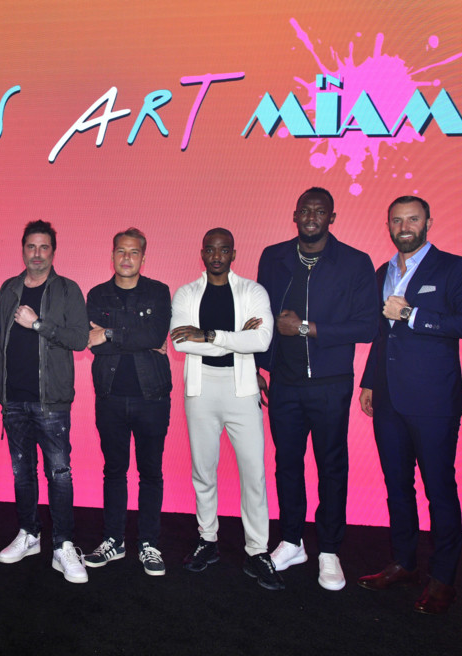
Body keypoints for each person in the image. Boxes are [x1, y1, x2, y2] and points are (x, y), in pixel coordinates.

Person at [357, 196, 462, 614]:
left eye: (413, 219)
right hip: (388, 398)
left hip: (433, 401)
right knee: (397, 487)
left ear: (428, 222)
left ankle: (443, 580)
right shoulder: (383, 272)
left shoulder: (456, 268)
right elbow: (382, 334)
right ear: (389, 226)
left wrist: (413, 314)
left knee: (439, 490)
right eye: (397, 220)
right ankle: (404, 563)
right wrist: (369, 381)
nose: (405, 226)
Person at [255, 187, 376, 591]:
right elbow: (261, 316)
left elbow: (367, 326)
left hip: (330, 384)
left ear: (331, 218)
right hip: (285, 383)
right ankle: (292, 541)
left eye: (319, 211)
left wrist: (307, 328)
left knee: (331, 467)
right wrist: (257, 367)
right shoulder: (274, 257)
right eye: (304, 210)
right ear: (295, 215)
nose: (311, 217)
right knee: (287, 464)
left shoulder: (355, 262)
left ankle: (329, 550)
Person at [171, 228, 282, 590]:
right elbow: (181, 342)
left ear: (234, 254)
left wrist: (210, 335)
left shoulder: (253, 291)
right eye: (210, 249)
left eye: (224, 250)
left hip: (243, 389)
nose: (216, 255)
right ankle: (208, 540)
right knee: (203, 470)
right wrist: (236, 338)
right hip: (201, 389)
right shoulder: (186, 293)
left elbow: (261, 339)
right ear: (202, 253)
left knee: (254, 473)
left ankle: (257, 550)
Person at [0, 220, 90, 583]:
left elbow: (79, 339)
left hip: (51, 402)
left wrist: (38, 324)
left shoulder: (68, 289)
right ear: (23, 249)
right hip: (13, 399)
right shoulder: (9, 289)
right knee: (21, 472)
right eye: (31, 246)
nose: (37, 254)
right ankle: (29, 534)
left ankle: (63, 544)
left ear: (53, 252)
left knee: (59, 474)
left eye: (44, 247)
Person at [83, 228, 172, 576]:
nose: (126, 258)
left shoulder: (158, 291)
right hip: (110, 397)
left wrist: (109, 332)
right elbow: (93, 345)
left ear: (143, 258)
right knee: (114, 471)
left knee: (151, 473)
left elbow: (155, 334)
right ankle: (113, 541)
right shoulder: (97, 294)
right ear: (112, 256)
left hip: (152, 398)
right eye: (121, 251)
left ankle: (149, 543)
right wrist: (135, 337)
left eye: (134, 252)